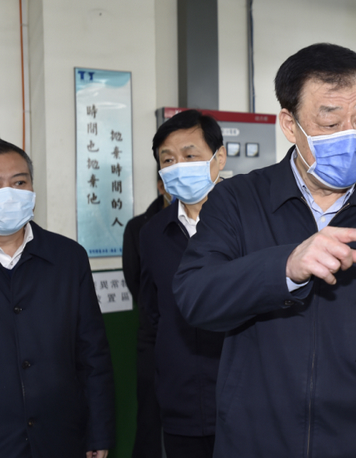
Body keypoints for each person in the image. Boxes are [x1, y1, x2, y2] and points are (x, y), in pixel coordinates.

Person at [173, 43, 356, 458]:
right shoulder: (238, 201)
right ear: (289, 123)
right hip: (257, 440)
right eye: (330, 122)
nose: (350, 136)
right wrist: (284, 267)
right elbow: (196, 296)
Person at [0, 138, 115, 458]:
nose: (8, 194)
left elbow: (92, 354)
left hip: (60, 439)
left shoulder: (68, 257)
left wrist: (99, 433)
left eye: (19, 182)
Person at [139, 110, 227, 458]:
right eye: (168, 160)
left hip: (245, 401)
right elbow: (151, 320)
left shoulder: (251, 220)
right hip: (181, 407)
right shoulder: (153, 233)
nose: (179, 166)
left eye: (190, 156)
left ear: (219, 157)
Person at [122, 175, 170, 458]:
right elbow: (136, 282)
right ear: (160, 186)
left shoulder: (214, 219)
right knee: (150, 419)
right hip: (154, 334)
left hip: (204, 337)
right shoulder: (140, 227)